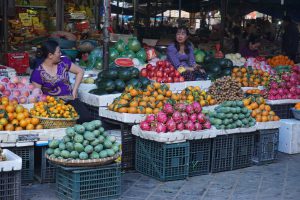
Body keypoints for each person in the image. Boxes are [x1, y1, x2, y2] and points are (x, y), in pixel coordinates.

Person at [30, 40, 91, 123]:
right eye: (58, 52)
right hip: (53, 106)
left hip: (70, 100)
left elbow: (80, 71)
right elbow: (37, 96)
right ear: (50, 55)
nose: (60, 54)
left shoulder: (63, 61)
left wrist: (74, 90)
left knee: (86, 118)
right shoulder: (38, 73)